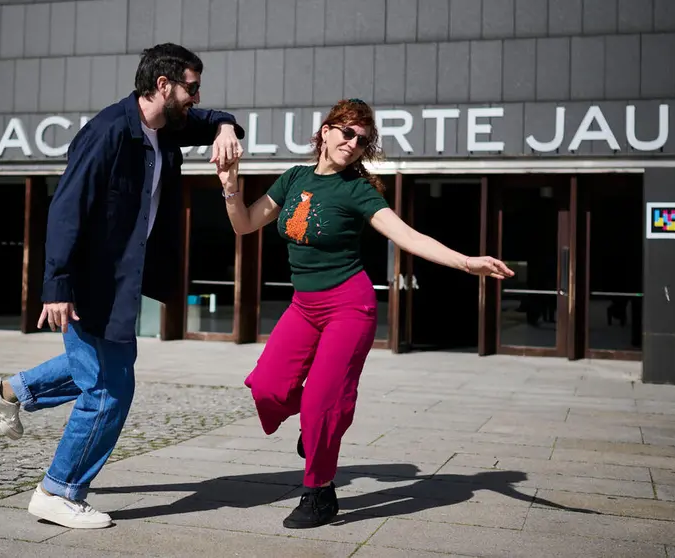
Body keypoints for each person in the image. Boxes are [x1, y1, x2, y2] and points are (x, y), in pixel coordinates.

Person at [0, 43, 244, 530]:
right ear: (163, 85)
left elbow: (211, 119)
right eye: (192, 87)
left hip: (122, 281)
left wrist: (225, 127)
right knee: (108, 389)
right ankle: (58, 491)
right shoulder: (107, 132)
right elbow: (66, 209)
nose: (197, 97)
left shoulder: (168, 126)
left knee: (94, 367)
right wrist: (56, 286)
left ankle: (8, 392)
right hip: (88, 283)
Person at [215, 98, 514, 529]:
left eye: (362, 139)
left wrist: (467, 263)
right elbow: (243, 223)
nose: (353, 143)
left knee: (321, 401)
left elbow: (409, 237)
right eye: (347, 132)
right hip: (303, 306)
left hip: (349, 306)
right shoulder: (294, 178)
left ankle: (319, 493)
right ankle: (319, 423)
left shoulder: (357, 191)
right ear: (326, 131)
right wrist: (230, 183)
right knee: (266, 388)